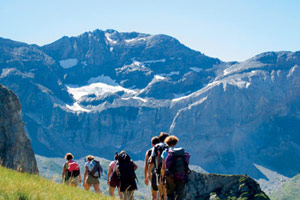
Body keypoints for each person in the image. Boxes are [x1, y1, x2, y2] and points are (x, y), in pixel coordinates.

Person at [161, 136, 190, 200]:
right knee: (180, 195)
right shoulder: (181, 152)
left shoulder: (165, 152)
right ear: (176, 142)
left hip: (170, 176)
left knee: (170, 194)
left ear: (166, 143)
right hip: (181, 174)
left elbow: (163, 167)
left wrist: (162, 177)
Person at [148, 132, 169, 199]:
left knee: (161, 192)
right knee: (167, 192)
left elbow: (152, 161)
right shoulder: (169, 147)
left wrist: (149, 172)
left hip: (158, 171)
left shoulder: (156, 147)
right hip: (168, 171)